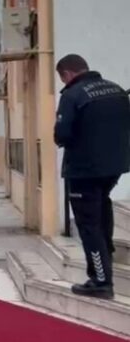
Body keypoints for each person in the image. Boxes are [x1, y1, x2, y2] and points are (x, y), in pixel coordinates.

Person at [54, 54, 130, 299]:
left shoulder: (72, 95)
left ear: (67, 74)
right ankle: (105, 259)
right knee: (102, 211)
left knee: (89, 225)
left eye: (62, 77)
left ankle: (100, 280)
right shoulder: (116, 90)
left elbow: (62, 134)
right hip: (114, 167)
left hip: (83, 170)